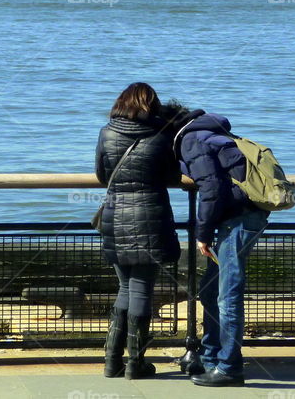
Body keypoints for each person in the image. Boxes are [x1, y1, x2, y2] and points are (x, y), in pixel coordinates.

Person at [170, 106, 269, 388]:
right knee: (210, 291)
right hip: (241, 217)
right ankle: (211, 358)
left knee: (227, 296)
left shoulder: (193, 140)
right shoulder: (214, 134)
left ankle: (229, 368)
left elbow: (212, 189)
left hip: (238, 221)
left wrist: (202, 234)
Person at [95, 82, 181, 379]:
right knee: (142, 289)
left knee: (125, 288)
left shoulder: (107, 132)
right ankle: (135, 364)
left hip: (115, 217)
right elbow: (172, 174)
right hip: (150, 219)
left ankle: (111, 362)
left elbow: (100, 174)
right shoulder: (161, 136)